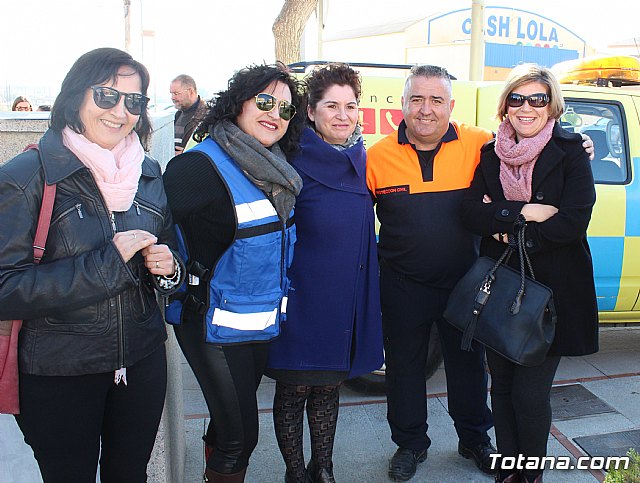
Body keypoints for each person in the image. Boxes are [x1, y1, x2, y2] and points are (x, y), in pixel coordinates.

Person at [0, 47, 184, 482]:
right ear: (75, 97)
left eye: (134, 101)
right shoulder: (28, 175)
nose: (121, 111)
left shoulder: (150, 173)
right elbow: (6, 288)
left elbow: (174, 257)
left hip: (140, 362)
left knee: (129, 475)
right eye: (106, 96)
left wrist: (170, 268)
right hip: (60, 371)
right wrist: (110, 262)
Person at [162, 63, 304, 482]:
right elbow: (147, 216)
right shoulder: (198, 168)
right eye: (264, 101)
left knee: (226, 424)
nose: (274, 113)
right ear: (238, 104)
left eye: (285, 108)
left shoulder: (272, 166)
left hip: (257, 325)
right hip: (210, 326)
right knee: (240, 437)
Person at [460, 64, 599, 483]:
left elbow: (573, 220)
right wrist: (523, 212)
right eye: (517, 98)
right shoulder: (489, 153)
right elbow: (471, 212)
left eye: (537, 99)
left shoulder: (571, 150)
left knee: (530, 392)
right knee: (500, 386)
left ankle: (530, 473)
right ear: (506, 105)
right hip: (502, 288)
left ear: (551, 104)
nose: (527, 107)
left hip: (552, 291)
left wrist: (512, 233)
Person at [366, 64, 497, 482]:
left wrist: (575, 142)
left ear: (451, 106)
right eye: (417, 99)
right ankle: (410, 445)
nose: (426, 109)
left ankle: (475, 439)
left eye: (436, 100)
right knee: (404, 369)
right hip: (403, 286)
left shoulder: (479, 143)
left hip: (465, 283)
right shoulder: (376, 156)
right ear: (402, 105)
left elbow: (530, 151)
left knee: (469, 367)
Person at [266, 63, 384, 483]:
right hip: (299, 300)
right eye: (331, 105)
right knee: (294, 388)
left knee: (328, 389)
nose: (342, 114)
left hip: (342, 300)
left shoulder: (364, 160)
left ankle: (325, 469)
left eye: (350, 106)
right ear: (311, 112)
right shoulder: (288, 161)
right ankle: (295, 473)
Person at [170, 74, 207, 155]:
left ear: (190, 92)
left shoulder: (207, 116)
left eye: (176, 93)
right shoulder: (177, 115)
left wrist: (185, 154)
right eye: (171, 94)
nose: (172, 98)